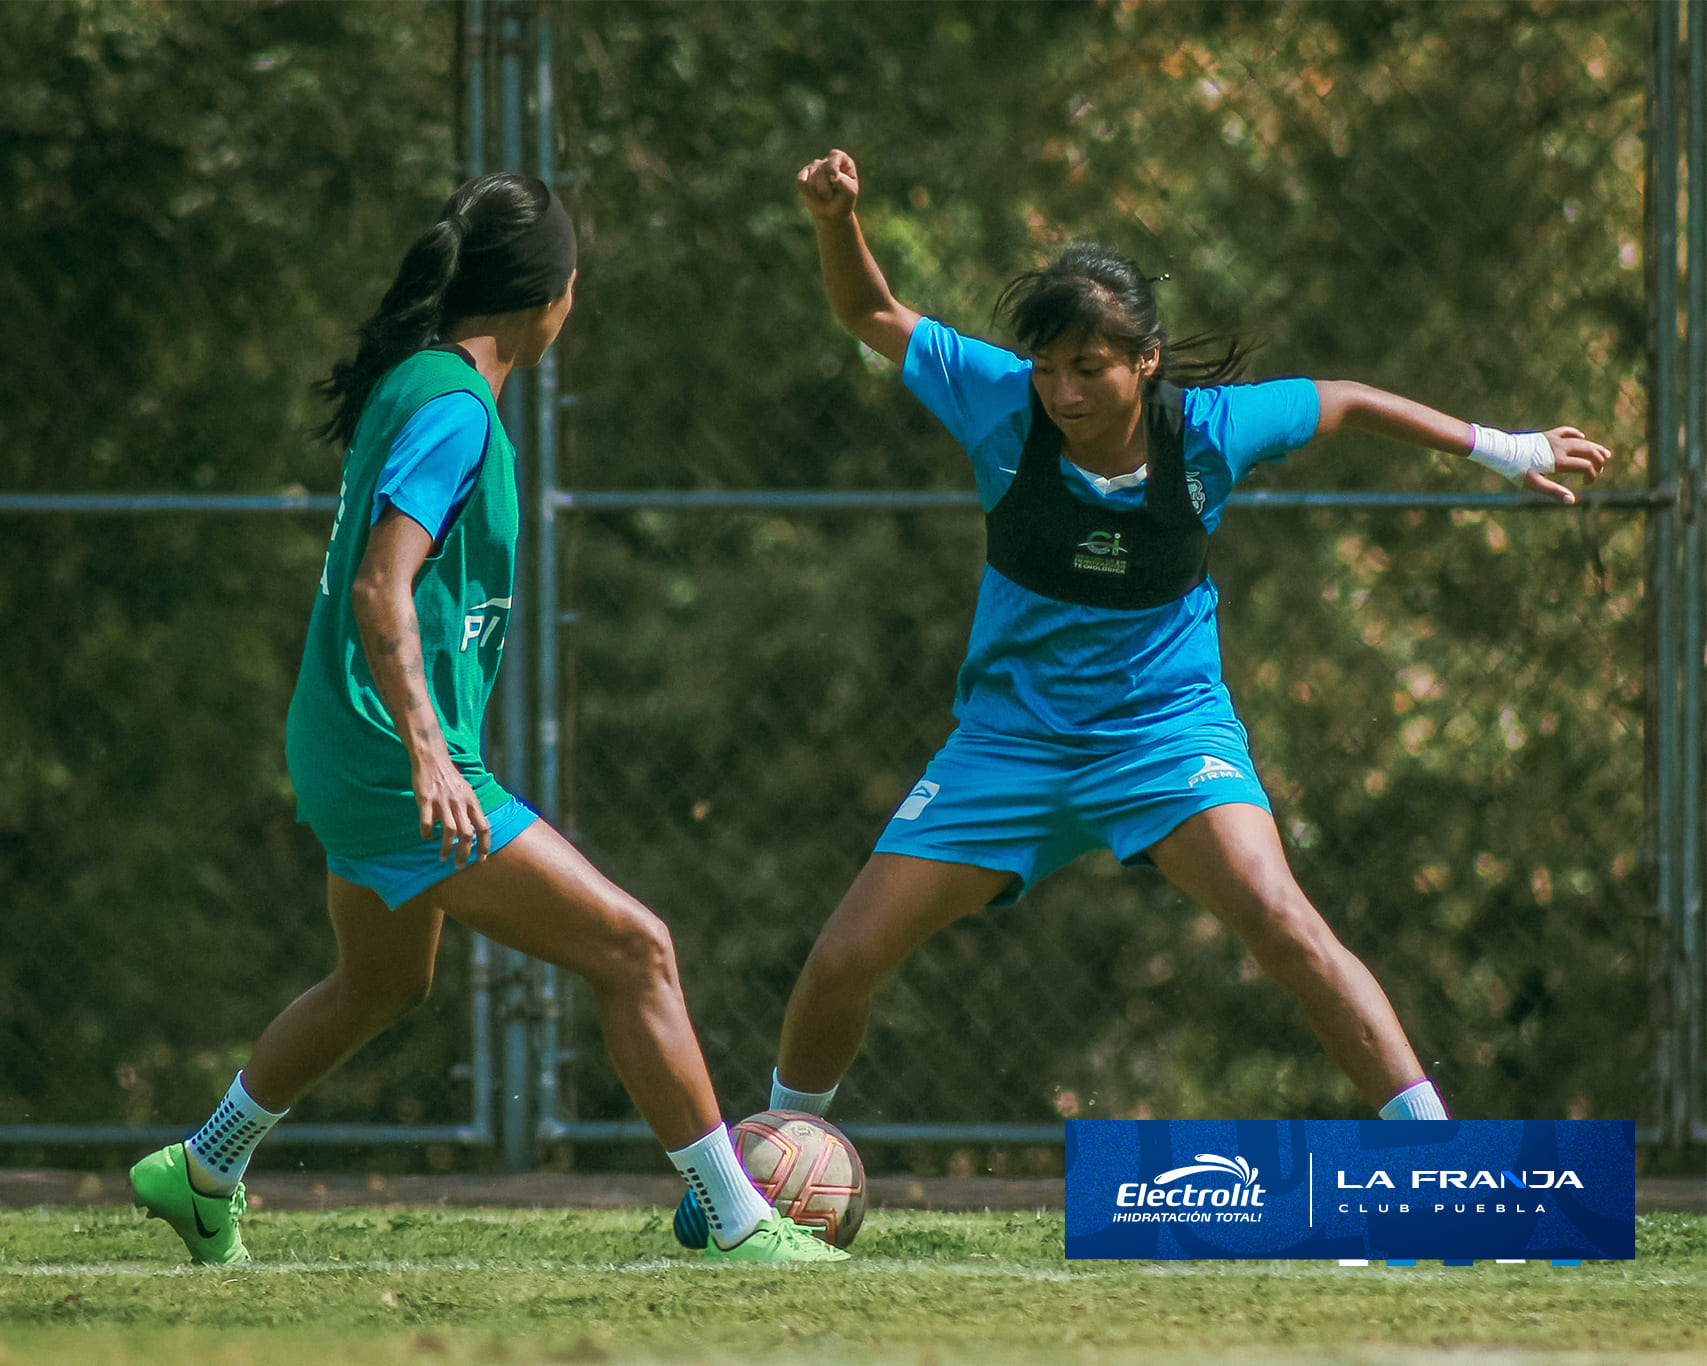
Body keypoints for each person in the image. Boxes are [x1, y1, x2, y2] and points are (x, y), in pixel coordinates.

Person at [673, 148, 1611, 1246]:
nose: (1063, 391)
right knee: (843, 959)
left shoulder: (1210, 431)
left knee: (1282, 918)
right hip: (1011, 743)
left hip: (1166, 734)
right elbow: (868, 309)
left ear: (1146, 362)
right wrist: (836, 217)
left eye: (1089, 367)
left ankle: (1438, 1171)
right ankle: (774, 1185)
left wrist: (1502, 447)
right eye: (1049, 368)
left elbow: (1346, 400)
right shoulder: (996, 401)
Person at [129, 171, 845, 1266]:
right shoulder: (457, 408)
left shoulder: (417, 383)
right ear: (547, 295)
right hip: (387, 754)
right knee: (636, 949)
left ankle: (206, 1164)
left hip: (341, 744)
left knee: (383, 980)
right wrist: (429, 752)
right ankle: (741, 1223)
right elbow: (381, 586)